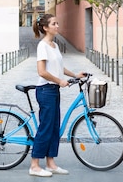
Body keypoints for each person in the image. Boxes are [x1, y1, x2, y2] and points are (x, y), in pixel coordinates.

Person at [29, 14, 85, 177]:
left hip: (54, 91)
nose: (57, 26)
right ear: (46, 28)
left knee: (54, 128)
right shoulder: (43, 46)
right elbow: (42, 72)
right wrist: (60, 81)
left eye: (58, 23)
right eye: (54, 24)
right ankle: (34, 165)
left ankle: (51, 163)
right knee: (45, 128)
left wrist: (75, 75)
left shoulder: (54, 45)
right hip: (45, 90)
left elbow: (59, 67)